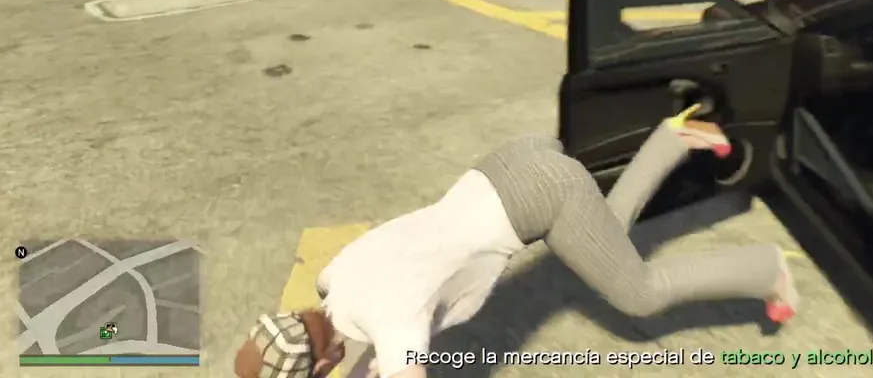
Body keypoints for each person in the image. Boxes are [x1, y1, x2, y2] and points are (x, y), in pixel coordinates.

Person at [234, 106, 800, 378]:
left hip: (542, 194)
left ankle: (766, 269)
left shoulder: (394, 325)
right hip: (506, 164)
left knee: (640, 293)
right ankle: (674, 137)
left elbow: (396, 358)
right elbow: (374, 346)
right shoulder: (334, 277)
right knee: (603, 235)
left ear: (323, 366)